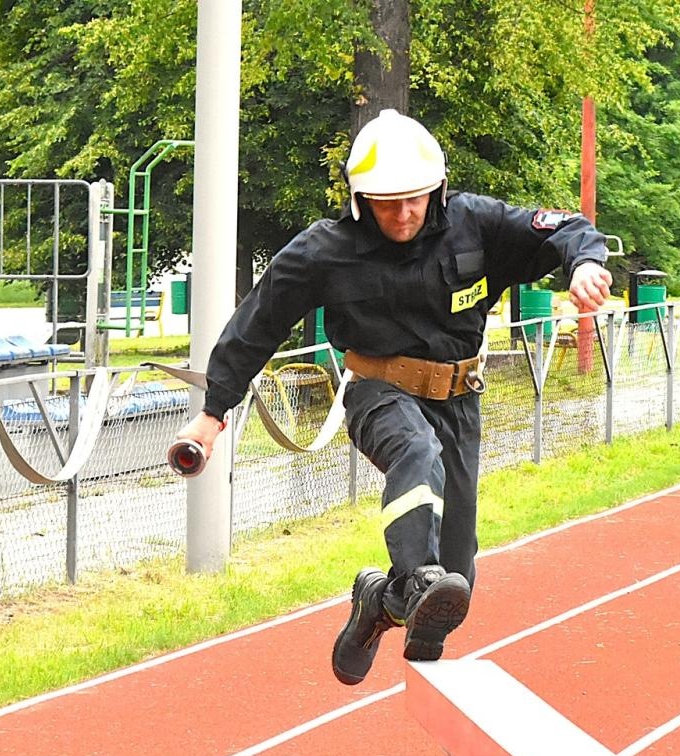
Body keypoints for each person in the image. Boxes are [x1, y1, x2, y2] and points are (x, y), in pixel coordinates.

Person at [173, 109, 613, 685]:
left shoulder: (473, 224)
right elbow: (256, 324)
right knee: (415, 452)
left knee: (455, 583)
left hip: (458, 399)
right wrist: (212, 414)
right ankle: (417, 576)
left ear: (437, 190)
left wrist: (585, 264)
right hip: (377, 392)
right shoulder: (324, 250)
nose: (402, 214)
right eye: (386, 203)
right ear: (360, 200)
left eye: (414, 199)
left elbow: (564, 228)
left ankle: (383, 600)